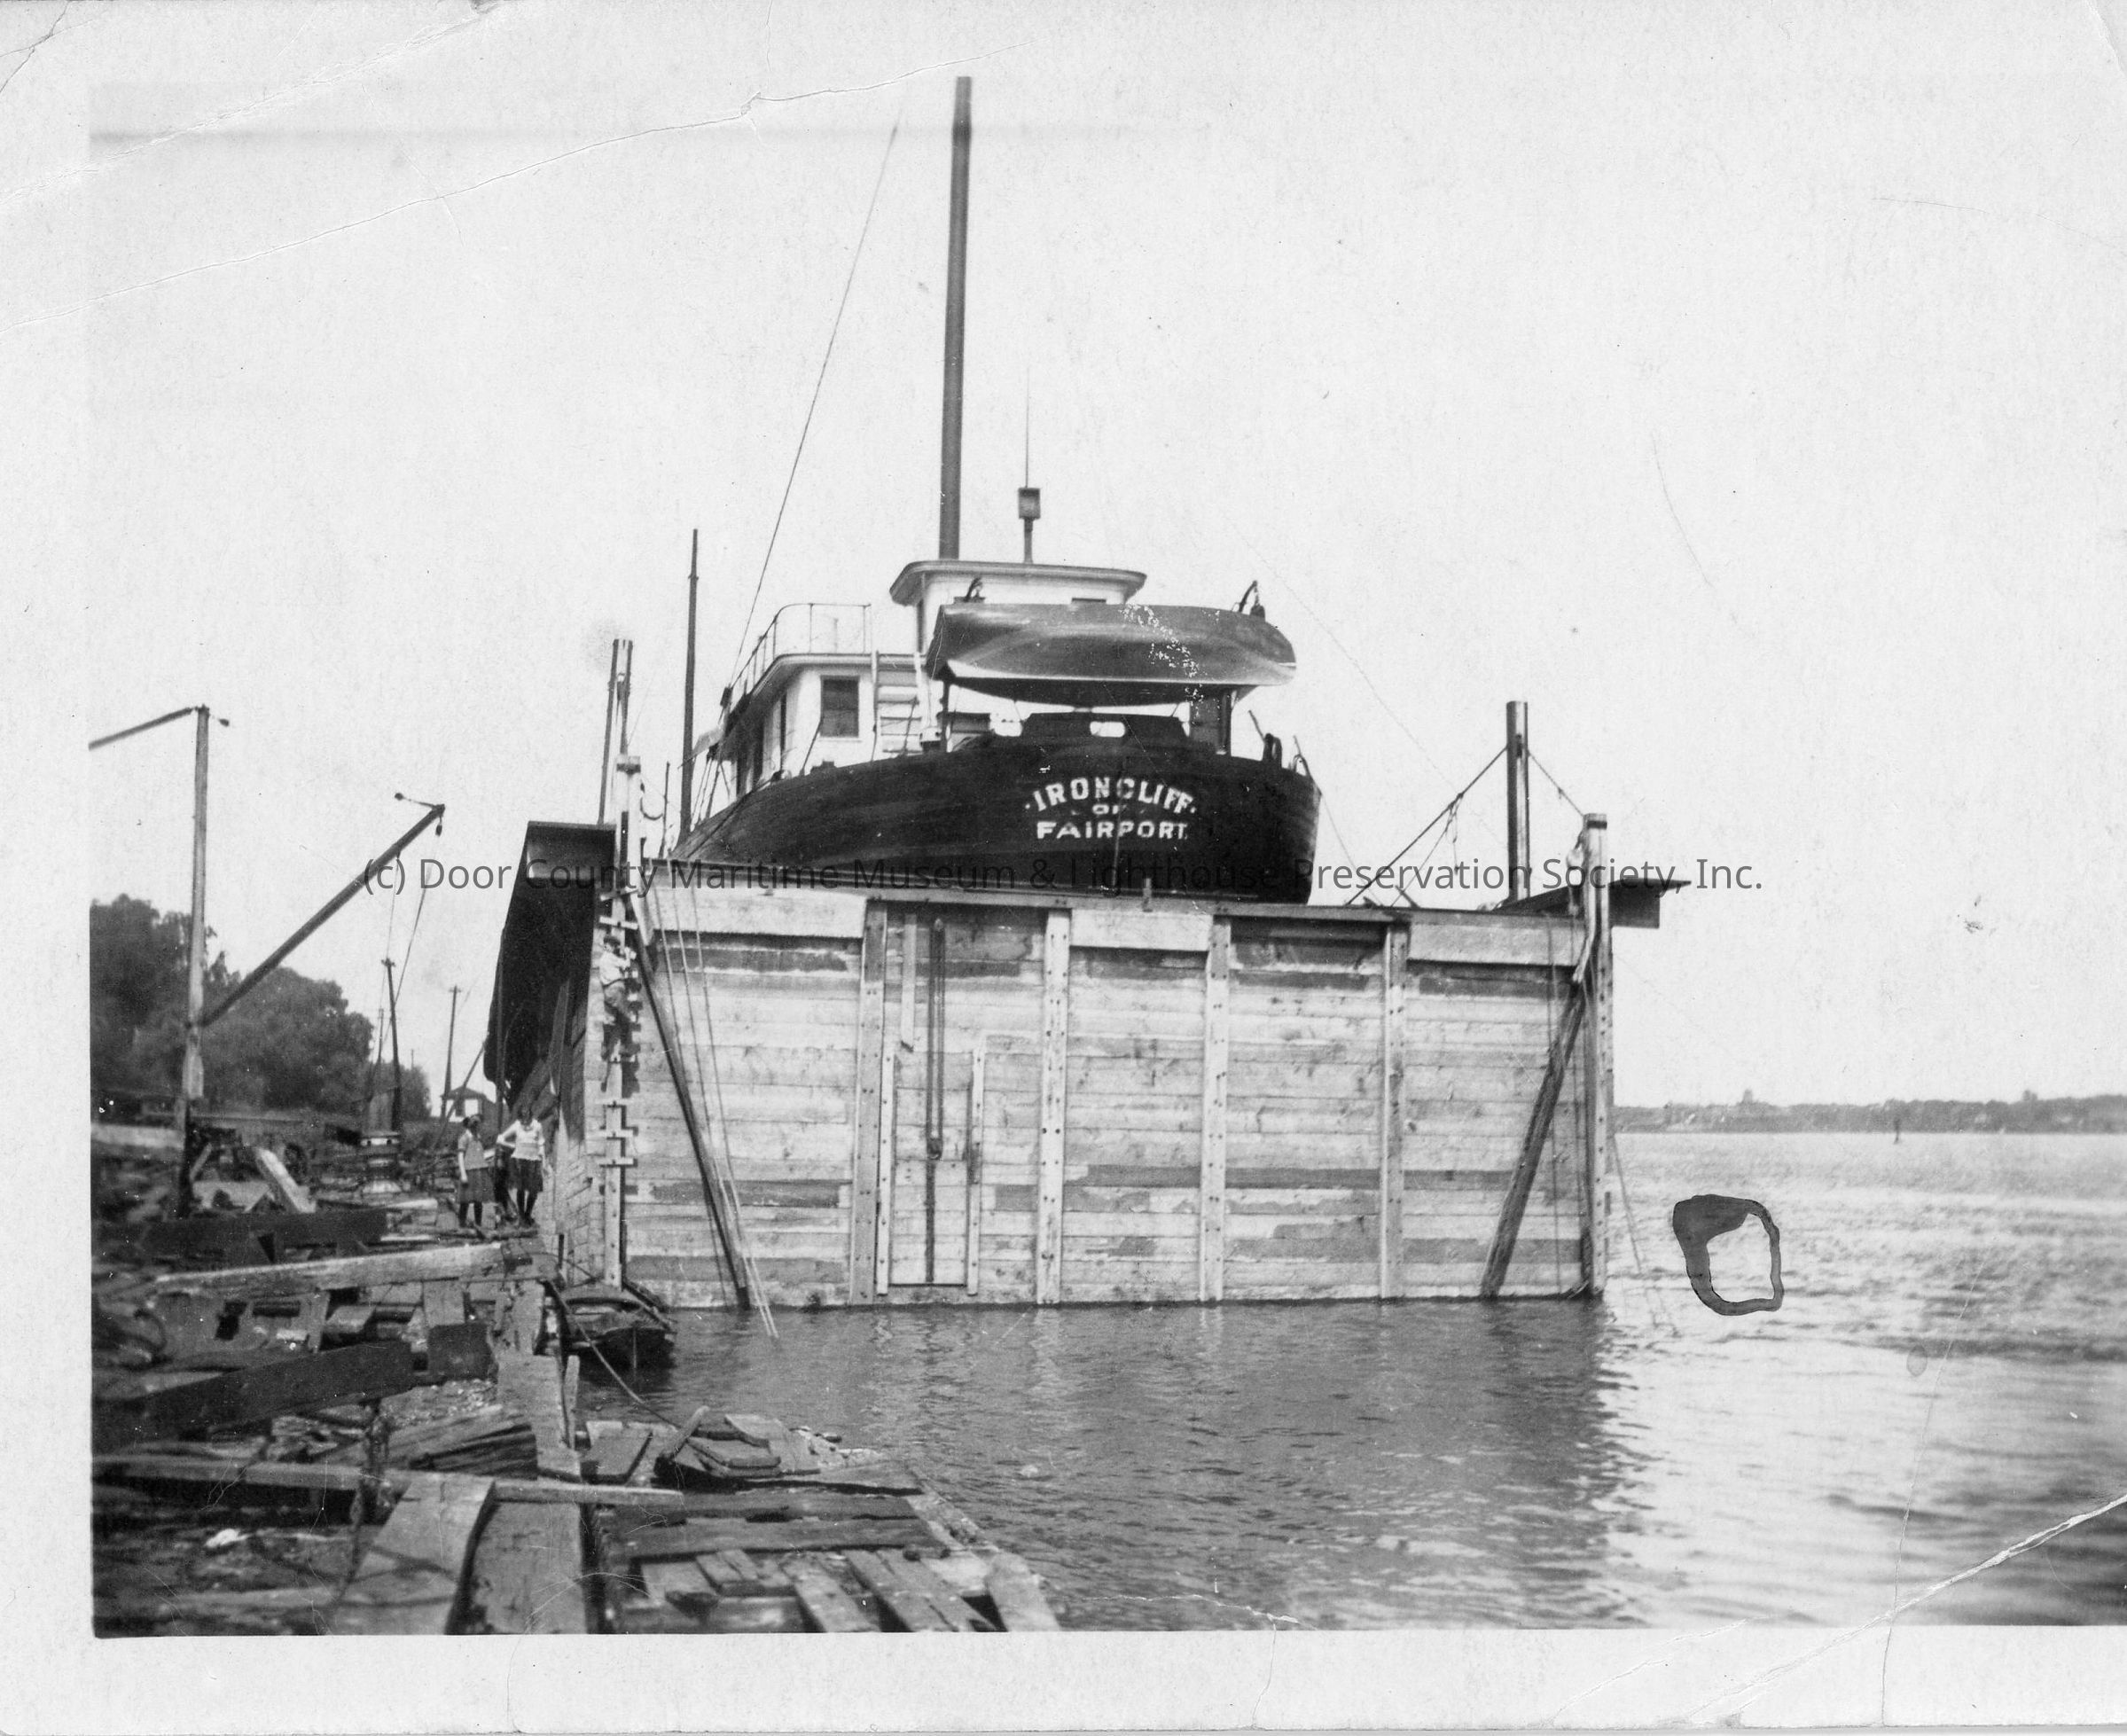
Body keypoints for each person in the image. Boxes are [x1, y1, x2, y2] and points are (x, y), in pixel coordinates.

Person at [497, 1110, 546, 1225]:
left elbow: (541, 1144)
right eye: (522, 1117)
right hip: (519, 1160)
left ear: (530, 1115)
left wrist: (543, 1162)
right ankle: (522, 1216)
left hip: (534, 1160)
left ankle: (528, 1214)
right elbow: (500, 1139)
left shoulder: (537, 1126)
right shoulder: (516, 1126)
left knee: (533, 1190)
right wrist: (512, 1146)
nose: (525, 1119)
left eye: (527, 1116)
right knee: (521, 1189)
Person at [454, 1114, 492, 1230]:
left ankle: (478, 1224)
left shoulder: (478, 1138)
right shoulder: (464, 1138)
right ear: (469, 1126)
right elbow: (460, 1157)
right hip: (469, 1171)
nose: (477, 1128)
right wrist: (463, 1174)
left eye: (478, 1125)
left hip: (479, 1171)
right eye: (474, 1125)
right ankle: (462, 1224)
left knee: (478, 1199)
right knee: (465, 1199)